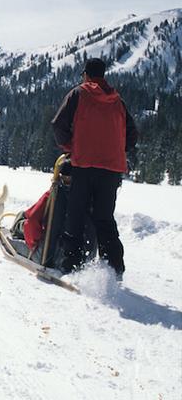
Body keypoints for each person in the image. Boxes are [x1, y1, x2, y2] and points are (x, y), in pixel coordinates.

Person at [51, 58, 138, 280]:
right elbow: (133, 135)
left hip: (84, 165)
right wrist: (117, 149)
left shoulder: (78, 94)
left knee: (76, 214)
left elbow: (58, 125)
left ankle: (72, 266)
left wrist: (72, 147)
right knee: (104, 218)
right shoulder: (118, 101)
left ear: (86, 75)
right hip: (111, 170)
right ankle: (114, 270)